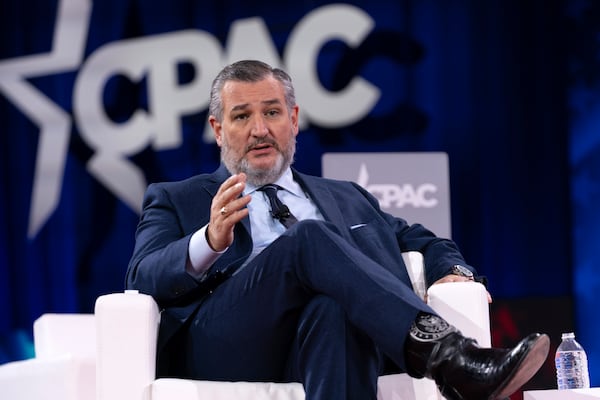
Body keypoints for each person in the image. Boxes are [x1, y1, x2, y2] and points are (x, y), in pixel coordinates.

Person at [126, 59, 549, 400]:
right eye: (242, 116)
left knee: (332, 310)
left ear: (292, 119)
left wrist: (452, 269)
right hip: (226, 345)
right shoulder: (177, 196)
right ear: (219, 130)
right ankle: (451, 360)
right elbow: (142, 275)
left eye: (272, 112)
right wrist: (209, 239)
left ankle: (447, 359)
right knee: (308, 236)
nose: (260, 129)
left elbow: (423, 240)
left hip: (326, 339)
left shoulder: (347, 196)